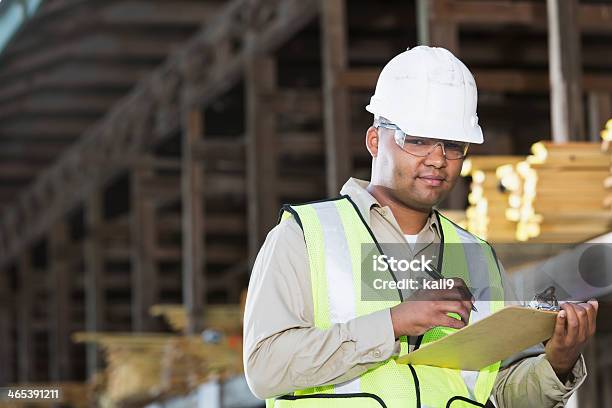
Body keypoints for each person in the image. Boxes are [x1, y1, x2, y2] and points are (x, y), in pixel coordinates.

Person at [243, 46, 598, 408]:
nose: (438, 158)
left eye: (453, 145)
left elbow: (502, 394)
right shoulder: (305, 237)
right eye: (418, 140)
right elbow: (264, 368)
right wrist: (394, 323)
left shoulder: (476, 257)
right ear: (374, 140)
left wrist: (558, 363)